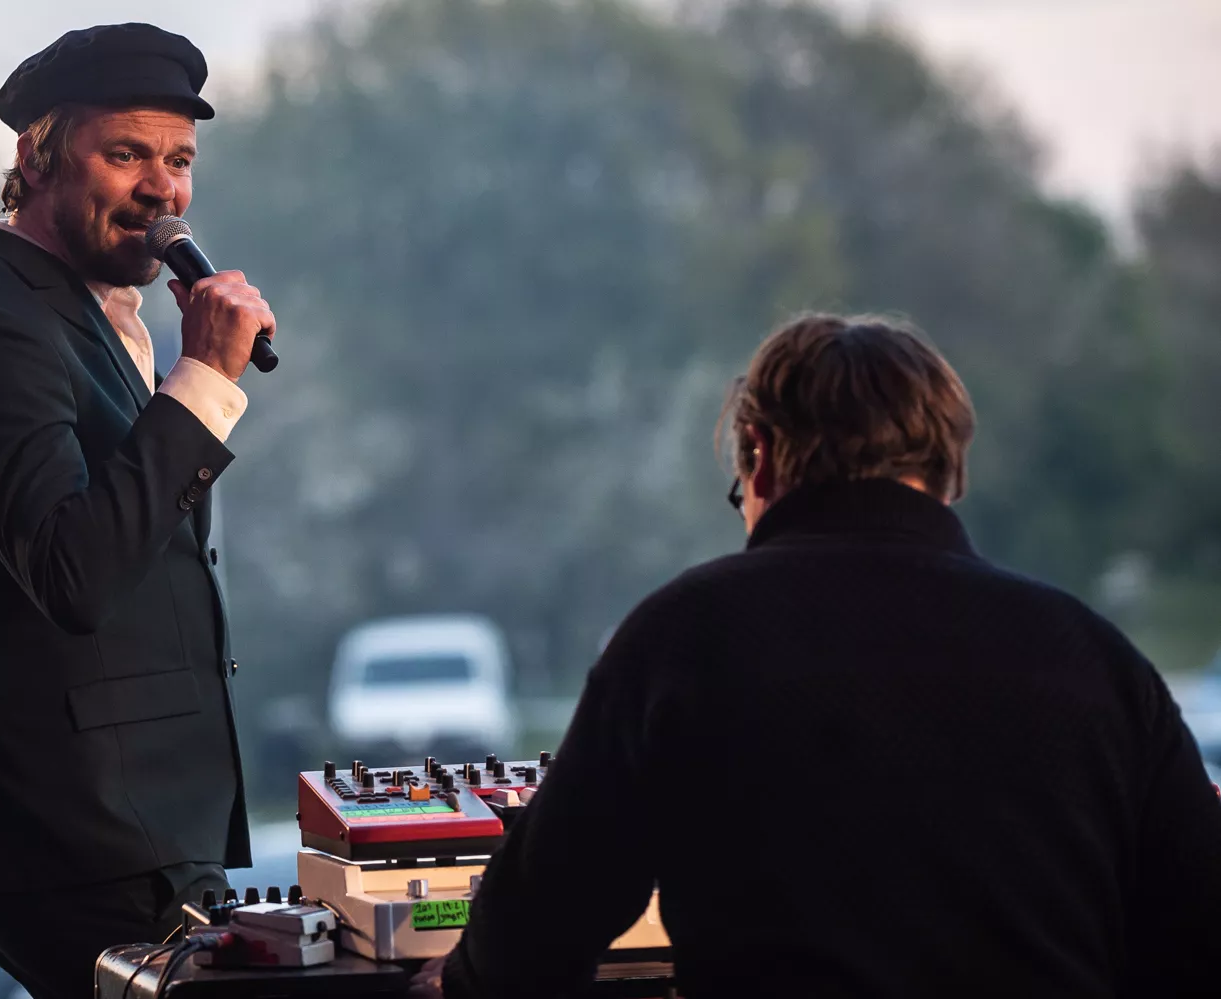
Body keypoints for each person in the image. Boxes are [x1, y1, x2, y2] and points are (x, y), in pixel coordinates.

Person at [415, 315, 1221, 998]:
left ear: (759, 453)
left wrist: (457, 975)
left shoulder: (684, 638)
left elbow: (532, 934)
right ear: (948, 471)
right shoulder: (1096, 661)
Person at [0, 23, 274, 999]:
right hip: (79, 838)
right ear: (36, 158)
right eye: (126, 154)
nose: (162, 190)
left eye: (179, 160)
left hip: (135, 829)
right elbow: (74, 569)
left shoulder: (91, 320)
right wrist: (201, 380)